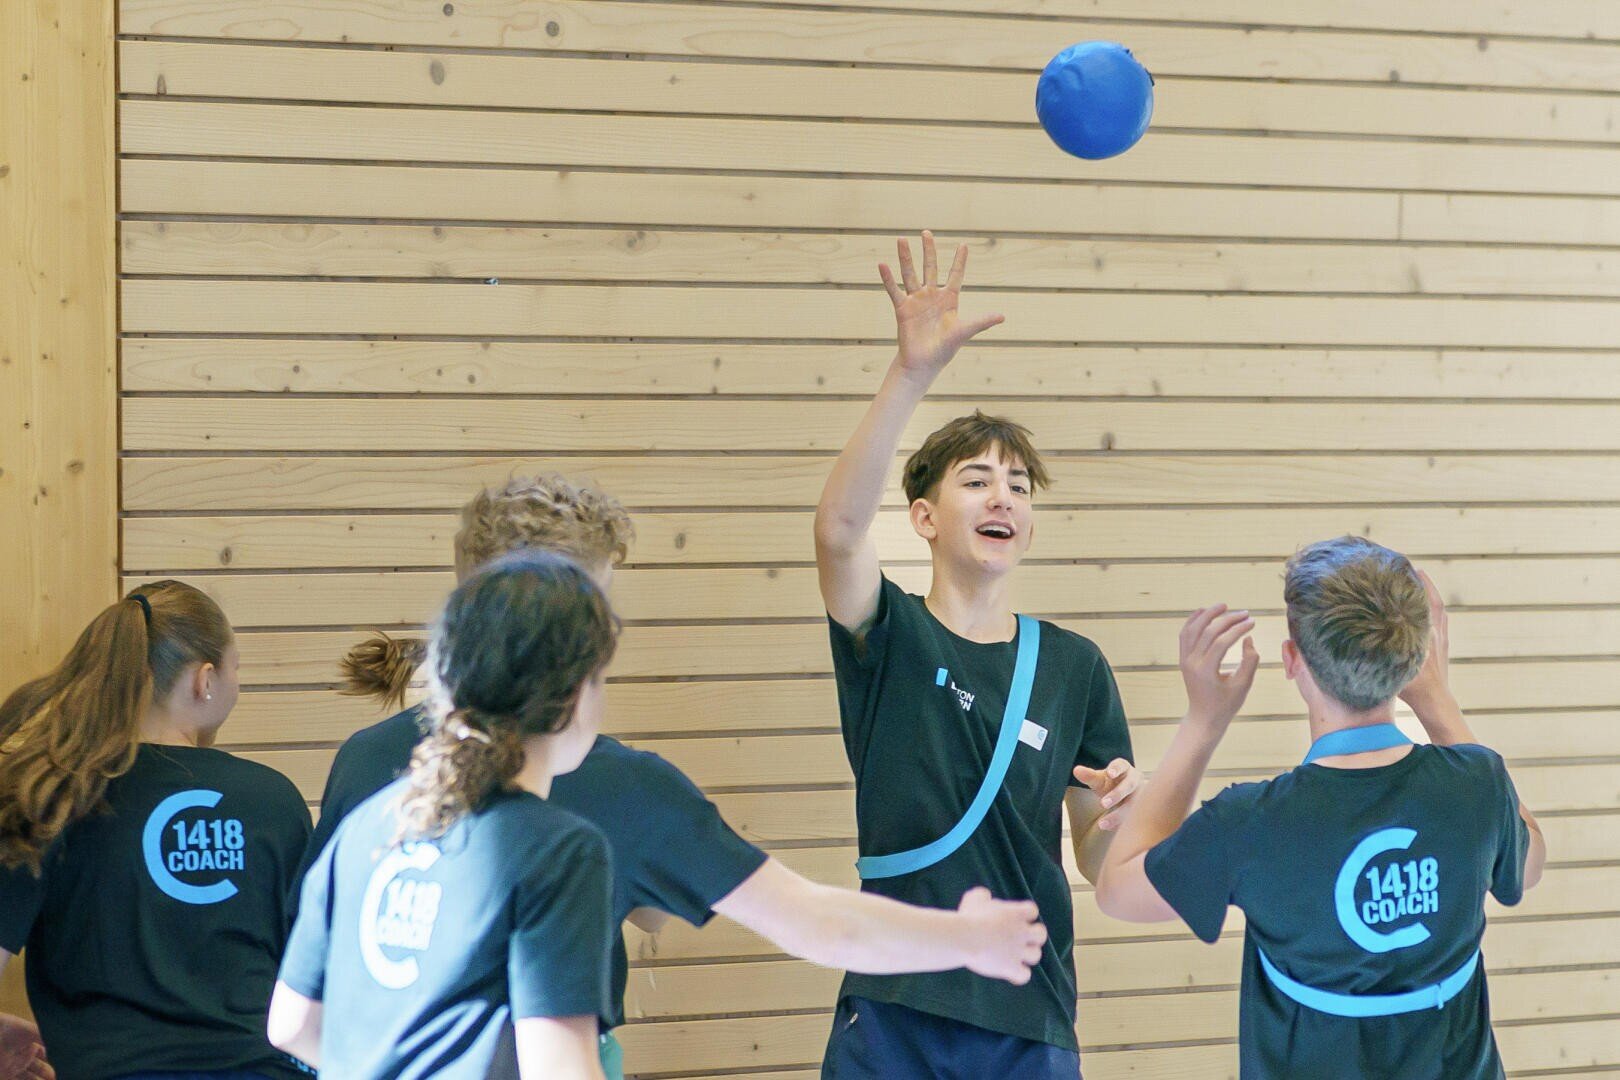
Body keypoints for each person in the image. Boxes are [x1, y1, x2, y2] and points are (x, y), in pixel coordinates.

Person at [309, 475, 1049, 1078]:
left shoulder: (369, 770)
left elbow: (299, 1019)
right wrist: (962, 937)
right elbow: (818, 921)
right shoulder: (615, 796)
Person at [812, 231, 1142, 1077]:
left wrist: (1116, 818)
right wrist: (911, 372)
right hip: (893, 1005)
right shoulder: (888, 635)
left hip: (1025, 1014)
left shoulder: (1075, 667)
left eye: (1019, 487)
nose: (1003, 496)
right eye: (975, 480)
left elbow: (1100, 866)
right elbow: (838, 532)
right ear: (923, 517)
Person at [1096, 537, 1547, 1079]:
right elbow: (1530, 860)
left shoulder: (1251, 820)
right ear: (1415, 655)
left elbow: (1118, 892)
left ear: (1293, 660)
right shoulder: (1477, 783)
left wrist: (1203, 722)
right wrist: (1435, 698)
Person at [269, 551, 620, 1080]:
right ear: (574, 694)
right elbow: (561, 1070)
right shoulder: (560, 851)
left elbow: (291, 1025)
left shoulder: (367, 824)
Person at [0, 581, 311, 1080]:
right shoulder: (274, 799)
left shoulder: (50, 793)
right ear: (204, 680)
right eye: (236, 669)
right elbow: (312, 985)